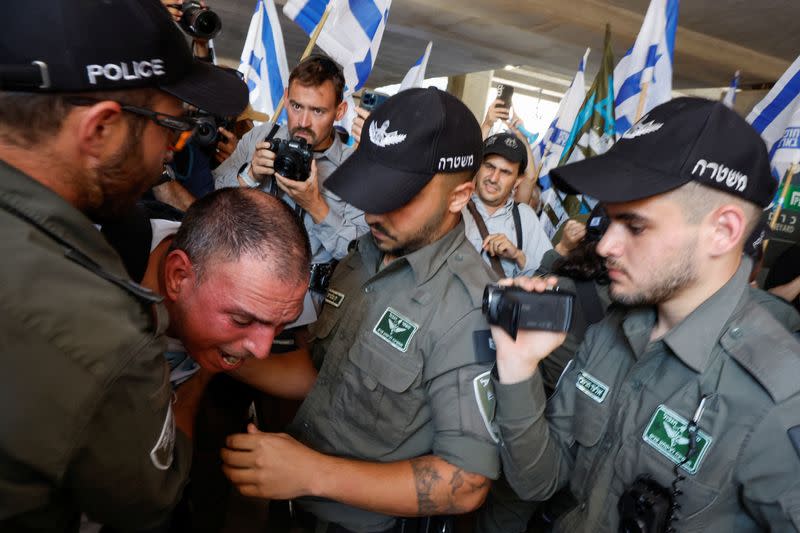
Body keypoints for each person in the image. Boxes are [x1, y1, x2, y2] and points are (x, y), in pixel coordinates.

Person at [491, 97, 800, 532]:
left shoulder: (781, 399)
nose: (604, 246)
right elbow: (539, 481)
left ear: (723, 230)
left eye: (634, 226)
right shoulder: (610, 332)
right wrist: (518, 368)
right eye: (610, 221)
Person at [0, 0, 247, 531]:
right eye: (172, 130)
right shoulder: (101, 331)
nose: (171, 154)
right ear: (101, 130)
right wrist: (194, 386)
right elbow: (146, 501)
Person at [221, 88, 501, 533]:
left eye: (397, 195)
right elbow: (325, 369)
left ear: (459, 195)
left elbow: (466, 482)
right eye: (371, 187)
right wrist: (224, 359)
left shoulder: (469, 310)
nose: (372, 213)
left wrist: (310, 472)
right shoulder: (364, 256)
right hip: (298, 506)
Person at [214, 55, 368, 272]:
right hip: (241, 271)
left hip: (306, 293)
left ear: (339, 111)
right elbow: (209, 203)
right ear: (285, 97)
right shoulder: (261, 137)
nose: (303, 122)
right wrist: (249, 176)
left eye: (317, 111)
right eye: (296, 106)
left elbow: (359, 254)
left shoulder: (356, 169)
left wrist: (315, 205)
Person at [464, 132, 552, 277]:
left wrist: (518, 256)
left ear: (517, 181)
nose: (493, 178)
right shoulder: (456, 206)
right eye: (489, 166)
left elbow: (548, 277)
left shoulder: (525, 218)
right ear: (478, 166)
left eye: (505, 172)